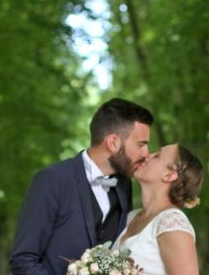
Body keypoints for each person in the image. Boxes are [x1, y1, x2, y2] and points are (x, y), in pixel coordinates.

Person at [9, 98, 154, 275]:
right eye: (141, 145)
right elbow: (23, 260)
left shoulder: (124, 185)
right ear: (113, 143)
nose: (146, 154)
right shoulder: (52, 180)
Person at [113, 144, 204, 275]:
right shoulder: (131, 217)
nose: (147, 156)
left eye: (157, 156)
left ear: (169, 175)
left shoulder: (173, 222)